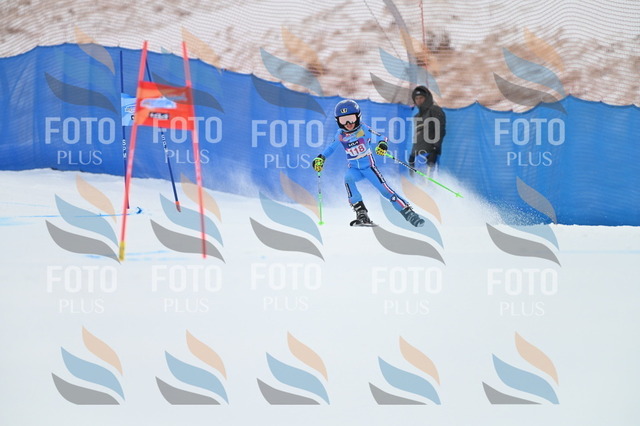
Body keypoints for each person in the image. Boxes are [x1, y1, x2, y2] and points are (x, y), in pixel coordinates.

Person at [312, 99, 424, 227]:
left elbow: (381, 138)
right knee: (348, 178)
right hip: (354, 169)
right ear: (338, 121)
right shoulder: (341, 135)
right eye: (343, 120)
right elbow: (331, 148)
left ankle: (408, 212)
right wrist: (321, 158)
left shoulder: (363, 129)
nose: (348, 123)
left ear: (358, 117)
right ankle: (361, 214)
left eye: (351, 119)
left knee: (385, 191)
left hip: (369, 168)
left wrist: (382, 145)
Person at [408, 86, 446, 172]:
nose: (419, 100)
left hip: (429, 153)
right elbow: (417, 136)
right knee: (417, 180)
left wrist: (435, 150)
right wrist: (412, 155)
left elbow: (440, 130)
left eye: (421, 97)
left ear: (427, 98)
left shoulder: (434, 110)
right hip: (418, 155)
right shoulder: (417, 116)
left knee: (429, 179)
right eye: (416, 98)